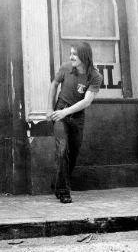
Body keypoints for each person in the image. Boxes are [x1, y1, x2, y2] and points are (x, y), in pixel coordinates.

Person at [46, 42, 103, 204]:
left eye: (75, 54)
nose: (71, 57)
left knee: (73, 155)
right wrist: (50, 108)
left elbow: (87, 102)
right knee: (62, 150)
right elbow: (54, 84)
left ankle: (57, 183)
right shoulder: (65, 68)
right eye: (70, 53)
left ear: (84, 56)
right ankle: (64, 191)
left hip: (77, 117)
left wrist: (67, 112)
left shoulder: (95, 76)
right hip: (60, 114)